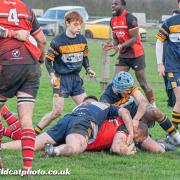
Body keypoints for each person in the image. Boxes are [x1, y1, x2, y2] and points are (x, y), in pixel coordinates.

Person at [1, 96, 136, 156]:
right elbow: (124, 111)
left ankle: (3, 146)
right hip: (83, 122)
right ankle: (55, 151)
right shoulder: (105, 106)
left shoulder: (80, 106)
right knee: (77, 147)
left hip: (66, 119)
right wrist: (130, 132)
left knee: (35, 142)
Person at [0, 0, 46, 171]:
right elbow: (42, 41)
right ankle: (27, 169)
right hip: (31, 65)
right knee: (26, 119)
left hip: (7, 63)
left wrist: (10, 32)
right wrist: (40, 61)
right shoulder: (26, 9)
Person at [34, 11, 96, 135]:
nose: (78, 28)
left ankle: (89, 134)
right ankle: (34, 133)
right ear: (67, 23)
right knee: (57, 111)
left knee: (87, 108)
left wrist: (88, 69)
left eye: (80, 25)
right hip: (61, 79)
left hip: (76, 79)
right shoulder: (57, 42)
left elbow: (84, 57)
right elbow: (47, 61)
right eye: (75, 24)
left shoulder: (82, 40)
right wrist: (52, 75)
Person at [100, 72, 180, 145]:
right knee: (147, 139)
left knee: (155, 111)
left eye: (130, 89)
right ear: (119, 90)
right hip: (124, 124)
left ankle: (177, 139)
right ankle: (157, 144)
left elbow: (143, 101)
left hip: (136, 116)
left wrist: (136, 119)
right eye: (127, 90)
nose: (129, 92)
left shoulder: (126, 85)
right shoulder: (106, 99)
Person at [102, 0, 155, 107]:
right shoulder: (112, 20)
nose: (113, 5)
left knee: (143, 83)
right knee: (116, 82)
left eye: (116, 4)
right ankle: (115, 106)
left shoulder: (130, 18)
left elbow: (134, 38)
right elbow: (115, 39)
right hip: (124, 56)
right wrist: (112, 44)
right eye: (112, 4)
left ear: (122, 5)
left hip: (136, 55)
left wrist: (120, 46)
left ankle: (153, 106)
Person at [155, 1, 180, 133]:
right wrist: (160, 63)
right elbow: (159, 41)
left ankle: (173, 135)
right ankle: (173, 135)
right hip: (174, 67)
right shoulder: (170, 22)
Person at [161, 9, 180, 108]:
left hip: (173, 63)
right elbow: (159, 42)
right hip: (168, 63)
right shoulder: (167, 28)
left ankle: (173, 102)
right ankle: (171, 101)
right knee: (168, 84)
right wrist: (161, 64)